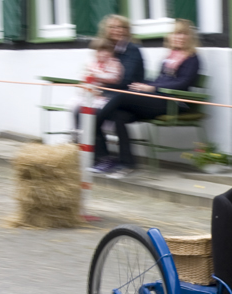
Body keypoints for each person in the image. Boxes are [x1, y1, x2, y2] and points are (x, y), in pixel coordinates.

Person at [93, 19, 201, 178]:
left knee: (122, 97)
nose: (179, 37)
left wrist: (153, 88)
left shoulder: (192, 58)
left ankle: (94, 123)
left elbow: (183, 84)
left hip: (172, 103)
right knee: (119, 115)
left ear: (189, 37)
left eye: (183, 33)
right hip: (157, 99)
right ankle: (126, 163)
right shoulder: (170, 57)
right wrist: (143, 85)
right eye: (176, 33)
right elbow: (159, 79)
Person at [72, 38, 124, 138]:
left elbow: (114, 77)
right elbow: (84, 76)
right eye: (100, 51)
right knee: (73, 105)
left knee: (96, 110)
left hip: (103, 96)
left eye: (106, 50)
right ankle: (76, 132)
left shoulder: (114, 63)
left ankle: (98, 135)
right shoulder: (92, 64)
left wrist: (96, 75)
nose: (103, 54)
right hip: (90, 93)